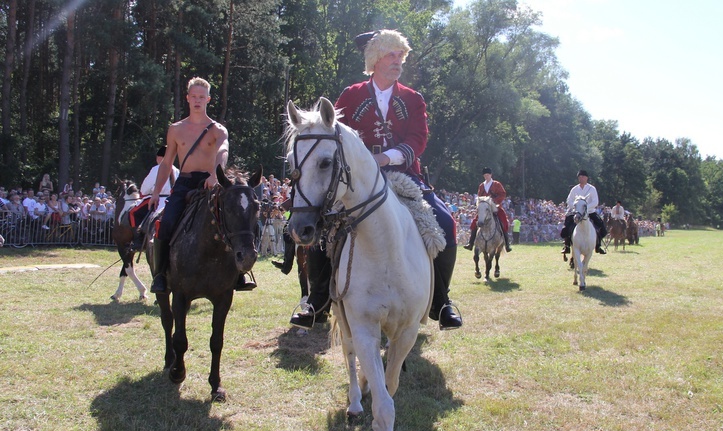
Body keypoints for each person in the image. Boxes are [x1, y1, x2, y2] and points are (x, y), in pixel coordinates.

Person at [289, 29, 463, 330]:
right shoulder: (351, 95)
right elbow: (335, 139)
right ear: (375, 59)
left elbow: (418, 139)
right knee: (323, 221)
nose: (398, 62)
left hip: (404, 175)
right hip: (357, 179)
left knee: (445, 223)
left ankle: (441, 302)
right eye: (391, 55)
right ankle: (317, 301)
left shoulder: (413, 99)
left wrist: (387, 158)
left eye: (401, 56)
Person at [147, 77, 255, 293]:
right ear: (187, 98)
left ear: (208, 99)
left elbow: (223, 151)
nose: (197, 100)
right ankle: (160, 274)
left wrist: (216, 175)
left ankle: (239, 274)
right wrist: (156, 192)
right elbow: (167, 163)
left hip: (210, 182)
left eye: (201, 97)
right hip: (185, 183)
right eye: (194, 96)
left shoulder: (217, 129)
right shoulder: (176, 129)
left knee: (234, 219)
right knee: (166, 222)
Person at [463, 167, 512, 252]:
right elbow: (479, 196)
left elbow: (502, 194)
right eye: (485, 175)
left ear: (491, 175)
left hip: (495, 206)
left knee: (503, 221)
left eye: (487, 175)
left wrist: (495, 202)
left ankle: (507, 244)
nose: (486, 176)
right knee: (475, 222)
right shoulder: (482, 185)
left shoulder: (497, 184)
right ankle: (470, 243)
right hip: (484, 208)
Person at [560, 170, 608, 255]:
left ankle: (598, 245)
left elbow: (595, 201)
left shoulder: (592, 189)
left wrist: (586, 208)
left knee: (601, 226)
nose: (581, 178)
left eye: (583, 177)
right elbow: (569, 200)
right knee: (567, 225)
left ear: (587, 178)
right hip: (577, 212)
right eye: (580, 177)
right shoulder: (575, 189)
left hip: (590, 212)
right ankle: (567, 245)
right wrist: (575, 207)